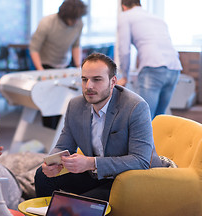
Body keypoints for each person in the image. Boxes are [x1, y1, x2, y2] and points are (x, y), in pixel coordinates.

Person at [34, 53, 164, 201]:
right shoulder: (75, 105)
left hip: (130, 178)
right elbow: (63, 146)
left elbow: (141, 161)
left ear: (113, 81)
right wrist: (51, 164)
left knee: (81, 203)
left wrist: (90, 163)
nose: (89, 86)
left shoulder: (135, 107)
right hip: (95, 174)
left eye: (97, 80)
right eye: (84, 79)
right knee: (42, 176)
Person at [117, 0, 182, 119]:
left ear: (124, 6)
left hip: (153, 67)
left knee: (142, 119)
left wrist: (125, 75)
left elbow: (124, 49)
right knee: (159, 119)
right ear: (139, 4)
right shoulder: (157, 19)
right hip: (174, 68)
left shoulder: (125, 16)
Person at [29, 0, 88, 129]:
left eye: (77, 19)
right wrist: (40, 69)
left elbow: (76, 45)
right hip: (46, 65)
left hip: (64, 66)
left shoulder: (79, 23)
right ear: (64, 15)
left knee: (64, 103)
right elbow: (34, 48)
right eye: (72, 19)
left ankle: (62, 136)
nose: (75, 22)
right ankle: (49, 134)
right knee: (49, 106)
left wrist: (79, 66)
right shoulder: (47, 23)